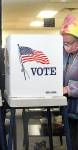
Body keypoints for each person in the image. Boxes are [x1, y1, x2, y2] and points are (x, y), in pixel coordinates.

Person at [61, 15, 78, 150]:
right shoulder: (66, 55)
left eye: (70, 42)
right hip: (70, 109)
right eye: (64, 43)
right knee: (72, 143)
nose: (67, 46)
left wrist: (69, 89)